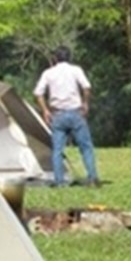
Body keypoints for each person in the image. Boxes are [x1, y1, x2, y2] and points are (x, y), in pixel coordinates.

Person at [33, 45, 99, 187]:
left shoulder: (48, 73)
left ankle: (59, 181)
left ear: (55, 58)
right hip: (76, 113)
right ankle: (92, 178)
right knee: (86, 147)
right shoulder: (76, 70)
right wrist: (85, 103)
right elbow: (87, 87)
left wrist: (45, 110)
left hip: (58, 114)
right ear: (69, 57)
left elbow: (38, 93)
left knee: (57, 150)